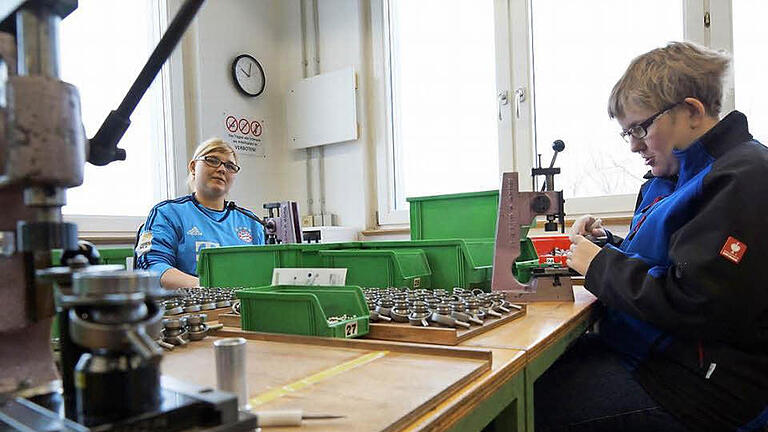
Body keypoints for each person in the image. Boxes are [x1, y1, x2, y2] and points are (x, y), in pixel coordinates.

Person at [535, 42, 768, 431]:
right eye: (626, 133)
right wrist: (607, 244)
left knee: (522, 407)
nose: (633, 145)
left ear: (691, 111)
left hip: (700, 390)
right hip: (645, 355)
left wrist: (599, 264)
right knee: (537, 374)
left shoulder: (744, 177)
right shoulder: (671, 177)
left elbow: (696, 301)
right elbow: (667, 261)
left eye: (640, 128)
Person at [135, 138, 265, 288]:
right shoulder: (168, 214)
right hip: (189, 307)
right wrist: (208, 288)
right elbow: (152, 267)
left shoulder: (251, 222)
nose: (222, 169)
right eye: (212, 160)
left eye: (230, 166)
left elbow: (264, 274)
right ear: (193, 167)